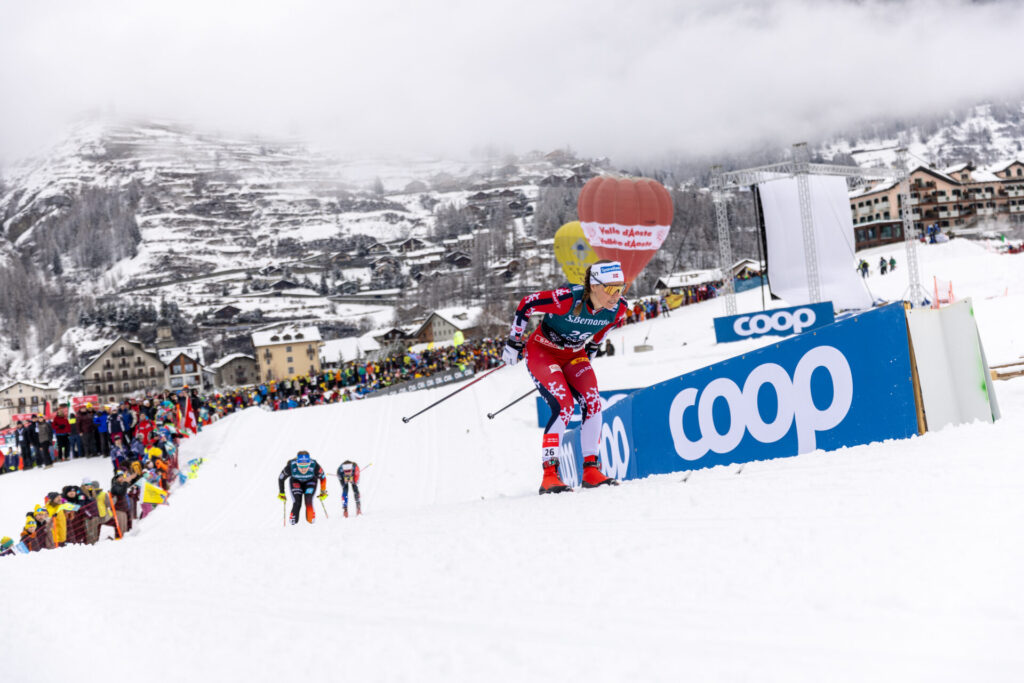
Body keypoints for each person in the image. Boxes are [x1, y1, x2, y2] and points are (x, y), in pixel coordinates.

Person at [503, 260, 626, 494]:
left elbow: (606, 326)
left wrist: (591, 349)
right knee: (564, 406)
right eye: (611, 288)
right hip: (543, 351)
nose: (617, 294)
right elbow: (527, 304)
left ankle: (591, 470)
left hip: (573, 354)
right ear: (594, 285)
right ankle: (550, 475)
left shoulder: (619, 307)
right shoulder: (569, 299)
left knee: (593, 402)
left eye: (621, 287)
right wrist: (513, 341)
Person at [277, 450, 327, 525]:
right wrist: (282, 493)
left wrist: (323, 491)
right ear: (296, 463)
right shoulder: (291, 466)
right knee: (297, 502)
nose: (303, 469)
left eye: (306, 466)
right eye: (300, 466)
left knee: (308, 500)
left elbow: (323, 477)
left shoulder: (314, 465)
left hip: (310, 482)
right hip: (296, 482)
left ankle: (311, 525)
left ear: (309, 463)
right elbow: (281, 478)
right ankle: (292, 525)